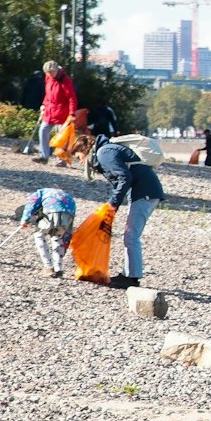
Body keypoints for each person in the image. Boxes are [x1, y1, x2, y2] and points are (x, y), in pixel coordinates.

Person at [90, 109, 166, 289]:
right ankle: (128, 274)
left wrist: (113, 203)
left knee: (131, 235)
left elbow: (124, 178)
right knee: (130, 234)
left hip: (145, 192)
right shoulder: (109, 149)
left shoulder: (104, 152)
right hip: (145, 191)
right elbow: (123, 178)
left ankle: (132, 278)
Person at [15, 187, 78, 278]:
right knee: (57, 238)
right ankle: (58, 269)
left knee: (39, 235)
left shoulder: (39, 193)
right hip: (67, 215)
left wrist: (25, 219)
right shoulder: (65, 195)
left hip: (51, 210)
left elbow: (31, 204)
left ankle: (48, 267)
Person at [38, 61, 77, 164]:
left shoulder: (65, 80)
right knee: (43, 130)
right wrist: (44, 104)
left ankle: (61, 159)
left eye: (51, 73)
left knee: (61, 137)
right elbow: (48, 94)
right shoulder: (48, 78)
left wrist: (72, 113)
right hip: (50, 111)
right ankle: (44, 156)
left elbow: (72, 98)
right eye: (47, 73)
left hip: (62, 113)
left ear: (56, 70)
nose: (49, 75)